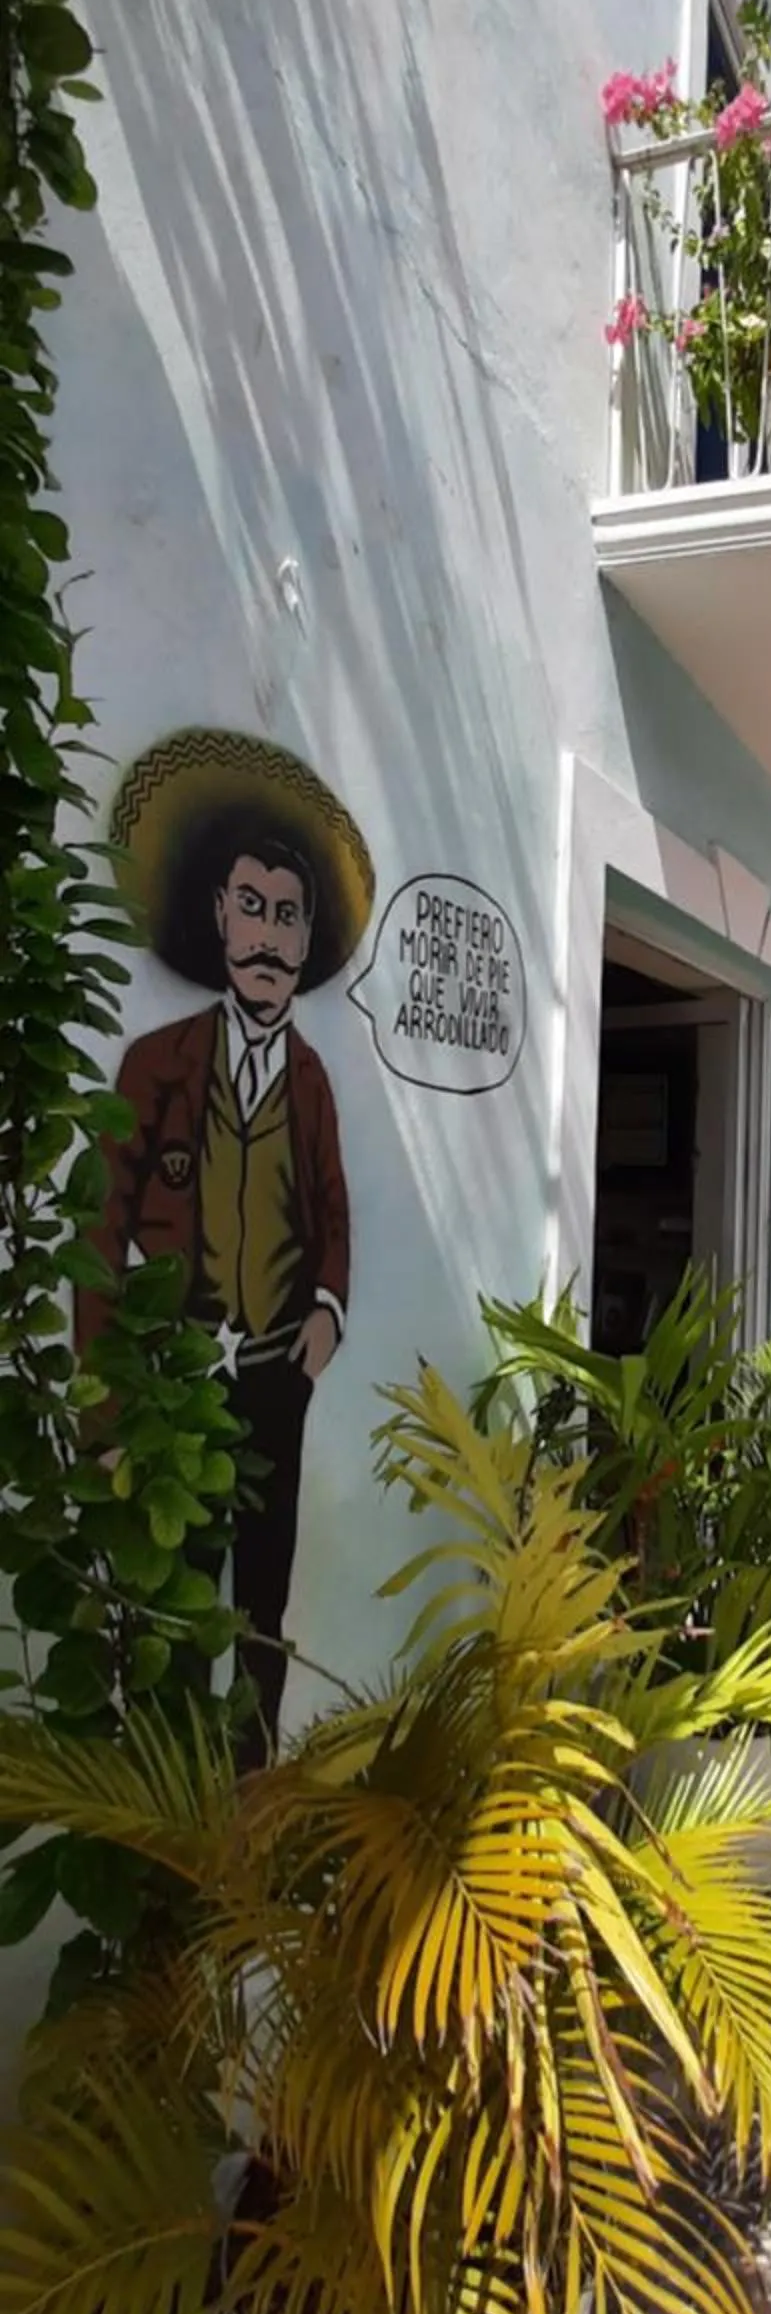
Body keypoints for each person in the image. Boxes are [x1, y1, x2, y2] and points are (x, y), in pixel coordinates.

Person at [78, 731, 375, 1751]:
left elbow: (333, 1211)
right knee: (172, 1603)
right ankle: (170, 1817)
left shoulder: (311, 1081)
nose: (266, 936)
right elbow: (98, 1237)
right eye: (250, 907)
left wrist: (327, 1315)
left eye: (286, 917)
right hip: (171, 1386)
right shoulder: (156, 1064)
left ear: (305, 943)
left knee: (260, 1613)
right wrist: (108, 1407)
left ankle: (251, 1800)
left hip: (273, 1381)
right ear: (218, 918)